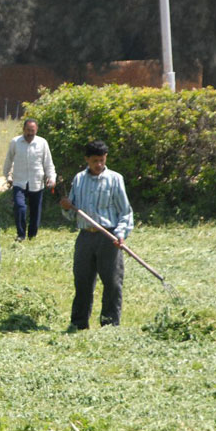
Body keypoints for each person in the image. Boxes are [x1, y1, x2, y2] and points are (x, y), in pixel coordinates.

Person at [59, 140, 134, 330]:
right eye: (94, 161)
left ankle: (109, 324)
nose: (99, 165)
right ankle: (78, 323)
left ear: (106, 158)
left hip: (108, 237)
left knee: (112, 282)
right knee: (82, 280)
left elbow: (125, 211)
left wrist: (120, 234)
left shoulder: (115, 179)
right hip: (85, 237)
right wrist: (66, 207)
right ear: (87, 160)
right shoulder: (79, 179)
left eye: (101, 160)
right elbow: (72, 212)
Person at [3, 119, 56, 241]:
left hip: (36, 182)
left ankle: (32, 235)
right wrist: (7, 176)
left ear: (36, 130)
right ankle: (21, 235)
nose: (30, 133)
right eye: (28, 130)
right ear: (23, 129)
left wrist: (52, 178)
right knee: (20, 207)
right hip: (19, 182)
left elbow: (48, 163)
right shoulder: (15, 142)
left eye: (33, 130)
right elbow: (8, 160)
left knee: (35, 211)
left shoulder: (42, 143)